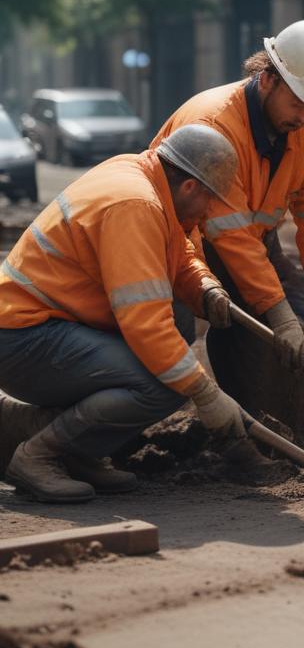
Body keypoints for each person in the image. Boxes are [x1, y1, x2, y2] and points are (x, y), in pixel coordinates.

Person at [0, 125, 245, 504]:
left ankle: (78, 452)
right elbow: (146, 324)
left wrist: (203, 287)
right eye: (212, 200)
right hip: (22, 337)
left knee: (177, 334)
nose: (211, 212)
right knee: (164, 384)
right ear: (190, 187)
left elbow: (176, 253)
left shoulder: (144, 176)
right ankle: (37, 455)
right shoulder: (135, 205)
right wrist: (205, 392)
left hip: (48, 322)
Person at [151, 18, 304, 381]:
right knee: (171, 331)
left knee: (303, 324)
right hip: (177, 242)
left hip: (252, 243)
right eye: (298, 102)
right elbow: (229, 234)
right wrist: (277, 313)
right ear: (268, 78)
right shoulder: (214, 126)